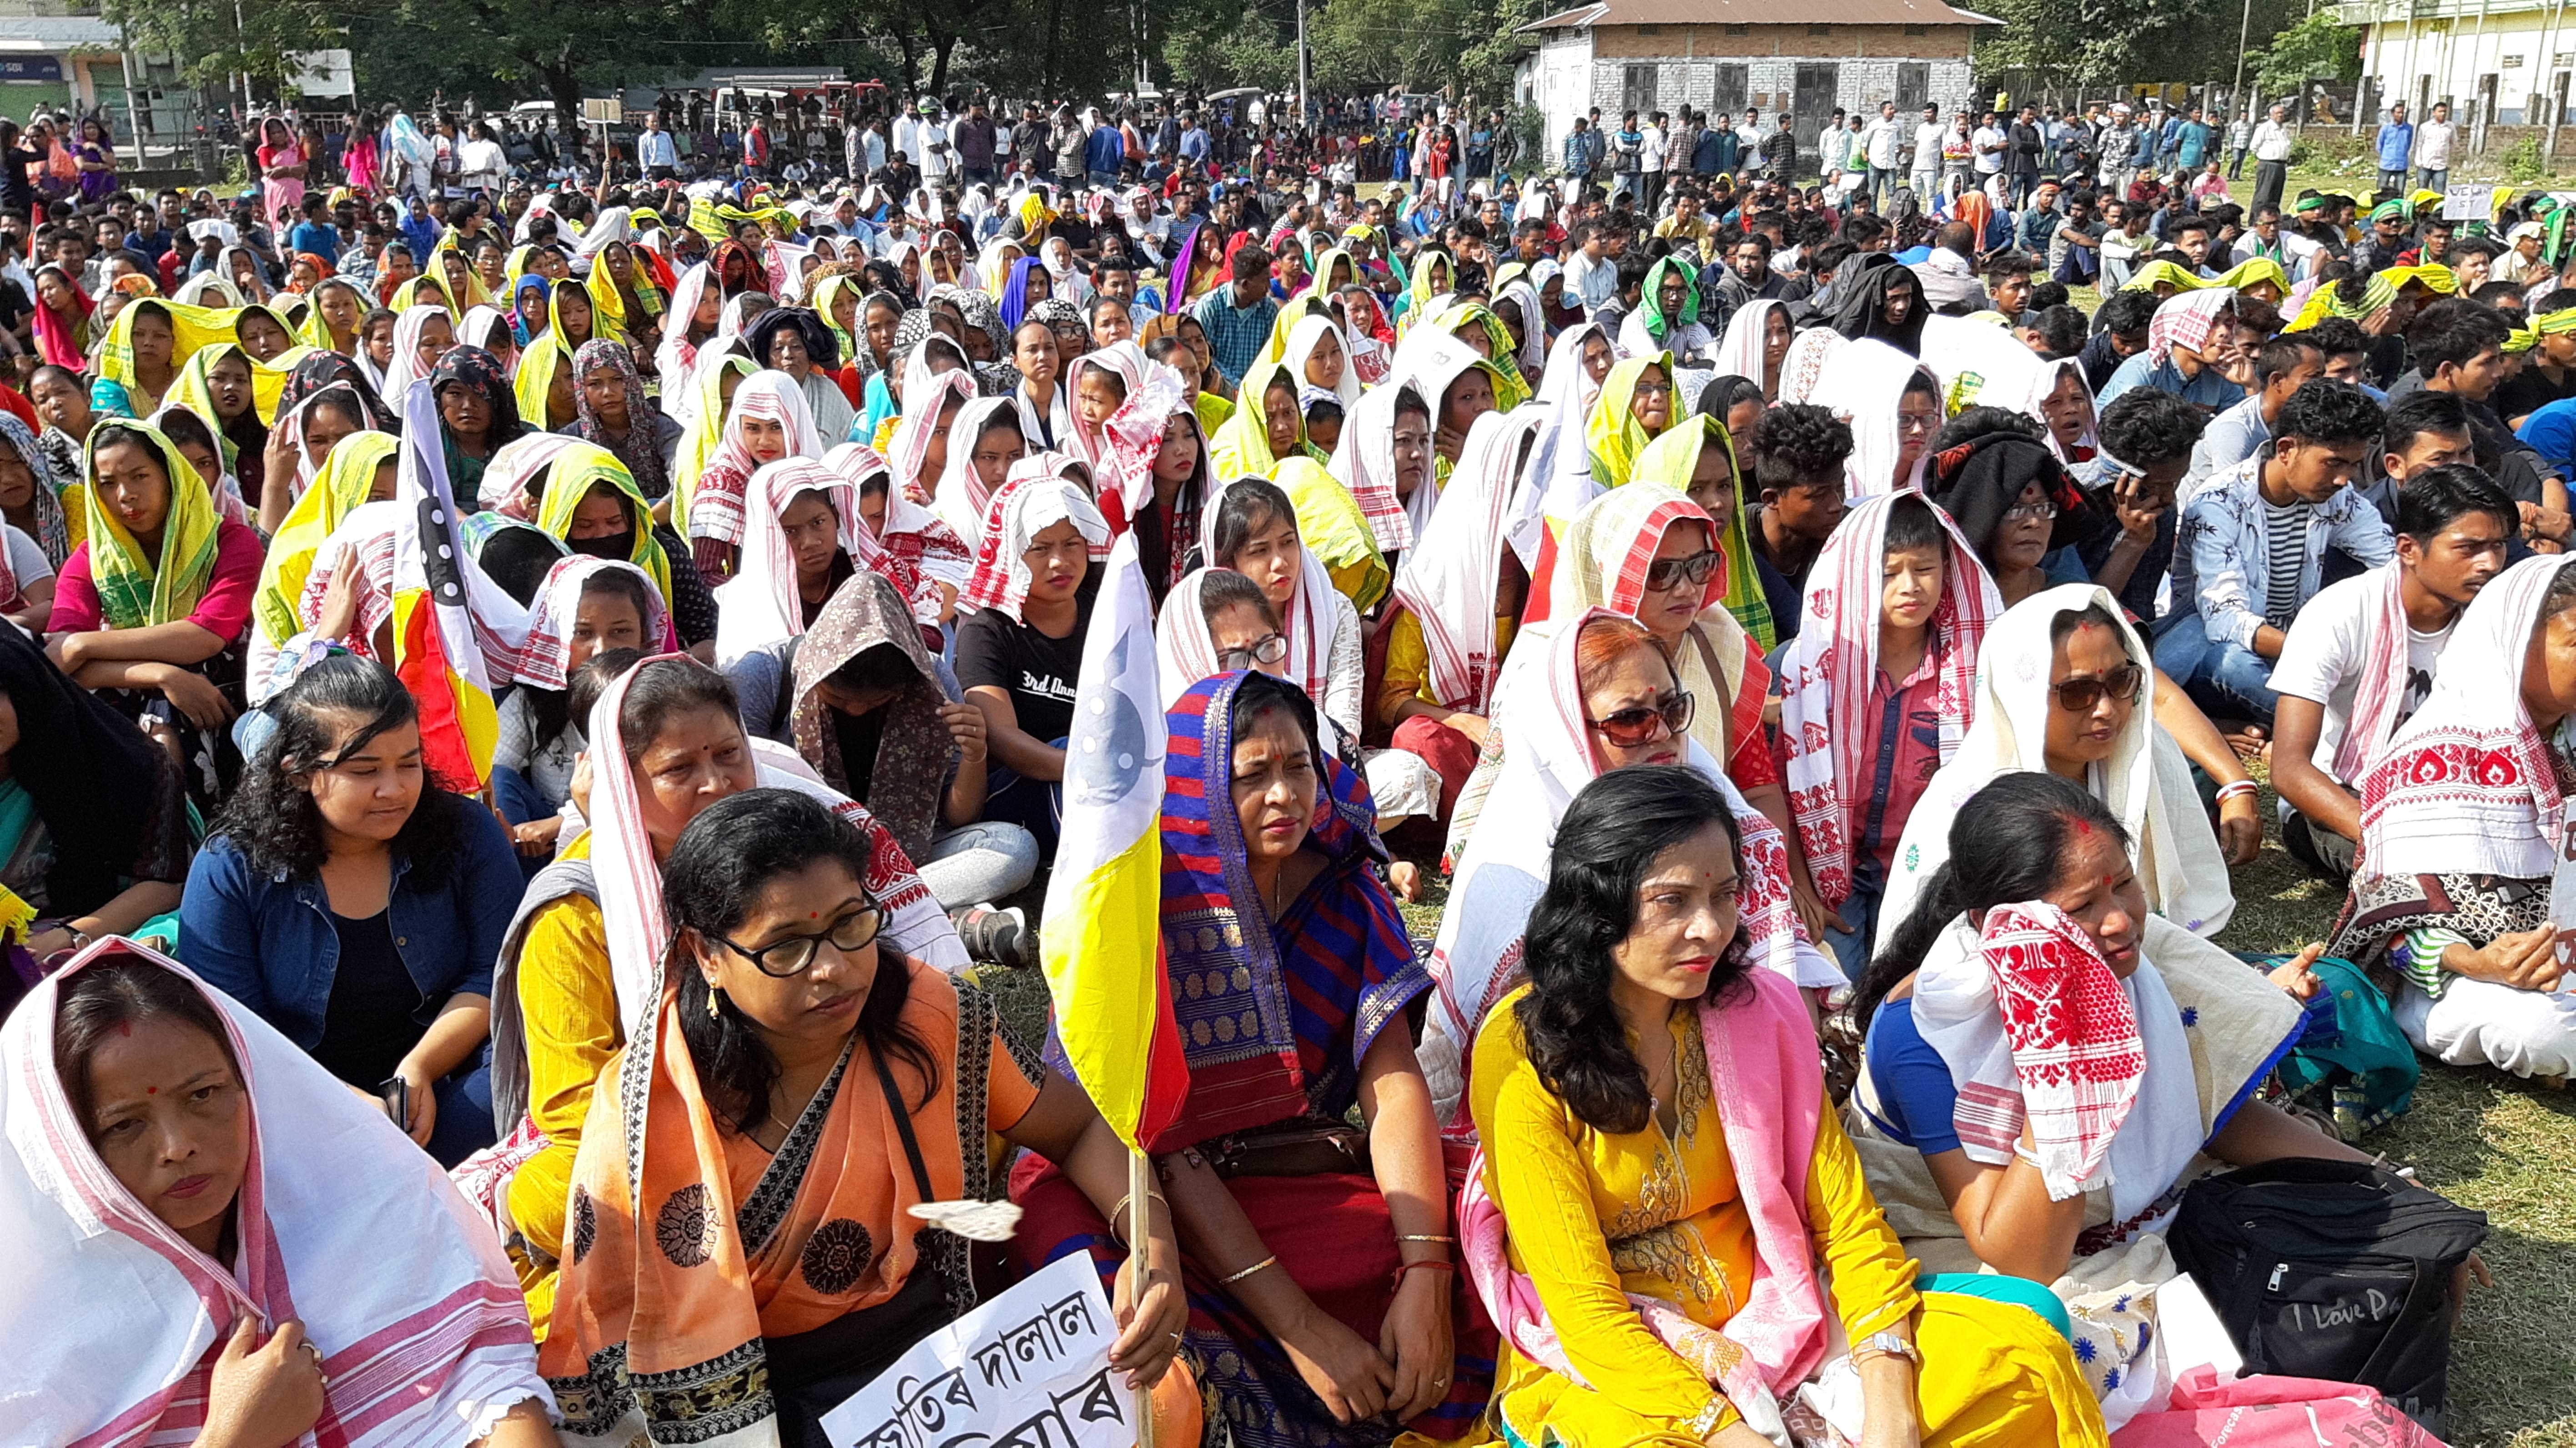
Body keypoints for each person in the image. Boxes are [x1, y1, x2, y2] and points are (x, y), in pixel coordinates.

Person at [1466, 765, 2108, 1447]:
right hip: (1621, 1372)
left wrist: (1893, 1412)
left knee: (2020, 1359)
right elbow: (1585, 1311)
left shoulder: (1760, 1010)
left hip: (1782, 1320)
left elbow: (1848, 1223)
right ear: (1598, 908)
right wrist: (1734, 1434)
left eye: (1725, 896)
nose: (1709, 929)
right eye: (1672, 902)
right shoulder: (1523, 1053)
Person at [538, 782, 1192, 1445]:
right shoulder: (650, 1114)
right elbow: (626, 1345)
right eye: (786, 946)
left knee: (1166, 1402)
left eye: (852, 924)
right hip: (770, 1407)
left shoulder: (928, 1016)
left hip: (945, 1356)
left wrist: (1152, 1250)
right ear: (708, 956)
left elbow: (1078, 1128)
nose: (833, 969)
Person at [1011, 670, 1484, 1445]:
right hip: (1133, 1181)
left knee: (1473, 1245)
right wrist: (1301, 1327)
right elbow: (1158, 1140)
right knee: (1110, 1302)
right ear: (1197, 784)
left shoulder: (1342, 888)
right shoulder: (1145, 908)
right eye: (1251, 774)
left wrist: (1425, 1274)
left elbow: (1392, 1083)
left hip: (1278, 1171)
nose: (1284, 795)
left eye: (1297, 765)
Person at [486, 654, 967, 1338]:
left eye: (729, 754)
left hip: (832, 1091)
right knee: (584, 1204)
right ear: (627, 784)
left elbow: (901, 990)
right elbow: (579, 1126)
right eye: (679, 770)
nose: (716, 784)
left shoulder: (806, 848)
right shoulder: (578, 917)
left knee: (959, 1107)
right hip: (658, 1142)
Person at [2, 941, 558, 1447]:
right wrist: (232, 1436)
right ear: (67, 1149)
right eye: (124, 1125)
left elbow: (490, 1380)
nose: (178, 1145)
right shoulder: (36, 1354)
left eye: (203, 1093)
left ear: (252, 1082)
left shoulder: (368, 1210)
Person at [179, 657, 517, 1167]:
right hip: (294, 1099)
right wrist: (342, 1103)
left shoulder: (467, 832)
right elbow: (235, 1027)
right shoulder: (231, 867)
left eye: (409, 763)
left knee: (517, 1076)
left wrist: (421, 1067)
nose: (395, 788)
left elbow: (495, 975)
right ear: (297, 774)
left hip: (445, 1086)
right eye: (364, 770)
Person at [1878, 583, 2243, 963]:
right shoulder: (1966, 805)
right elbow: (1948, 965)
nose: (2105, 709)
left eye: (2121, 682)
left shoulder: (2147, 754)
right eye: (2078, 692)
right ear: (2023, 698)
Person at [2326, 554, 2576, 1081]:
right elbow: (2392, 926)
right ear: (2515, 643)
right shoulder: (2430, 754)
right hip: (2458, 980)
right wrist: (2479, 961)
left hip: (2562, 971)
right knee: (2541, 1031)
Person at [1774, 493, 2000, 978]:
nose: (1910, 587)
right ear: (1857, 579)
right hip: (1831, 874)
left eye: (1924, 569)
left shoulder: (1970, 669)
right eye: (1888, 573)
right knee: (1840, 987)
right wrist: (1802, 886)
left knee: (1907, 989)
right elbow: (1786, 786)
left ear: (1948, 569)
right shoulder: (1818, 671)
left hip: (1927, 872)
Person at [2271, 465, 2515, 880]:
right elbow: (2290, 769)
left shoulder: (2499, 619)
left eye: (2498, 546)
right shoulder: (2340, 613)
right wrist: (2389, 833)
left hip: (2453, 800)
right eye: (2469, 548)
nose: (2490, 563)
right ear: (2408, 549)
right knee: (2420, 878)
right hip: (2344, 800)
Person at [783, 569, 1041, 923]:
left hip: (909, 852)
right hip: (805, 860)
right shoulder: (771, 671)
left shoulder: (929, 681)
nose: (857, 711)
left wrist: (975, 754)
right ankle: (905, 913)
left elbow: (958, 817)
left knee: (1015, 848)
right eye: (839, 700)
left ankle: (855, 914)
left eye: (878, 702)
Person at [47, 418, 264, 809]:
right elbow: (58, 662)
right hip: (146, 691)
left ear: (169, 476)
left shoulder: (230, 541)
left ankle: (172, 846)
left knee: (182, 692)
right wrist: (162, 675)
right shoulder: (92, 560)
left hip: (217, 699)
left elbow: (206, 636)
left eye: (140, 476)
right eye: (108, 484)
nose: (126, 495)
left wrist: (84, 644)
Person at [2158, 380, 2396, 733]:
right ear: (2286, 449)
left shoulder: (2337, 500)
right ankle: (2349, 731)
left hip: (2290, 655)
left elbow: (2392, 566)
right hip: (2212, 653)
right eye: (2333, 464)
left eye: (2354, 465)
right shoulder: (2219, 504)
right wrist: (2321, 653)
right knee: (2233, 664)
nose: (2345, 479)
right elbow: (2225, 621)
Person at [0, 625, 190, 1004]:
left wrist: (70, 935)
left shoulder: (126, 768)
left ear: (23, 689)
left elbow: (164, 884)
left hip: (95, 934)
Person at [954, 476, 1107, 854]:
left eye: (1073, 544)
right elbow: (1001, 736)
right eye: (1040, 549)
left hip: (1099, 767)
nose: (1060, 561)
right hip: (1021, 781)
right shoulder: (987, 631)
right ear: (1012, 554)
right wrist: (1076, 767)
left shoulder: (1106, 616)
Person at [1204, 474, 1366, 740]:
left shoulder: (1335, 611)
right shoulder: (1208, 622)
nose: (1280, 562)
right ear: (1228, 562)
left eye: (1288, 543)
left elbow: (1344, 722)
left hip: (1323, 754)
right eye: (1260, 551)